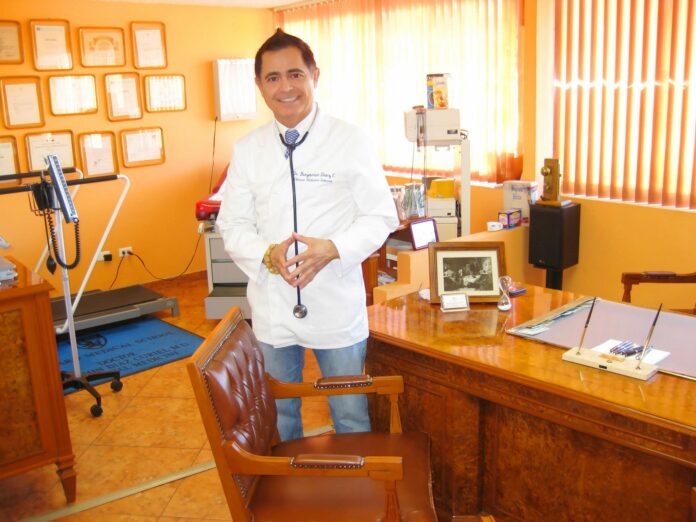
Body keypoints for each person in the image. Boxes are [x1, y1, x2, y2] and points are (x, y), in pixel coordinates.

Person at [216, 29, 399, 441]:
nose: (286, 87)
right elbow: (233, 224)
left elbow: (380, 215)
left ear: (315, 75)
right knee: (280, 416)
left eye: (295, 74)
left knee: (350, 416)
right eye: (273, 77)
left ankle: (354, 484)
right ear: (260, 85)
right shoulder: (248, 149)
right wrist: (267, 255)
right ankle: (293, 481)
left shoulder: (350, 140)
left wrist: (333, 249)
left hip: (335, 303)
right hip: (274, 306)